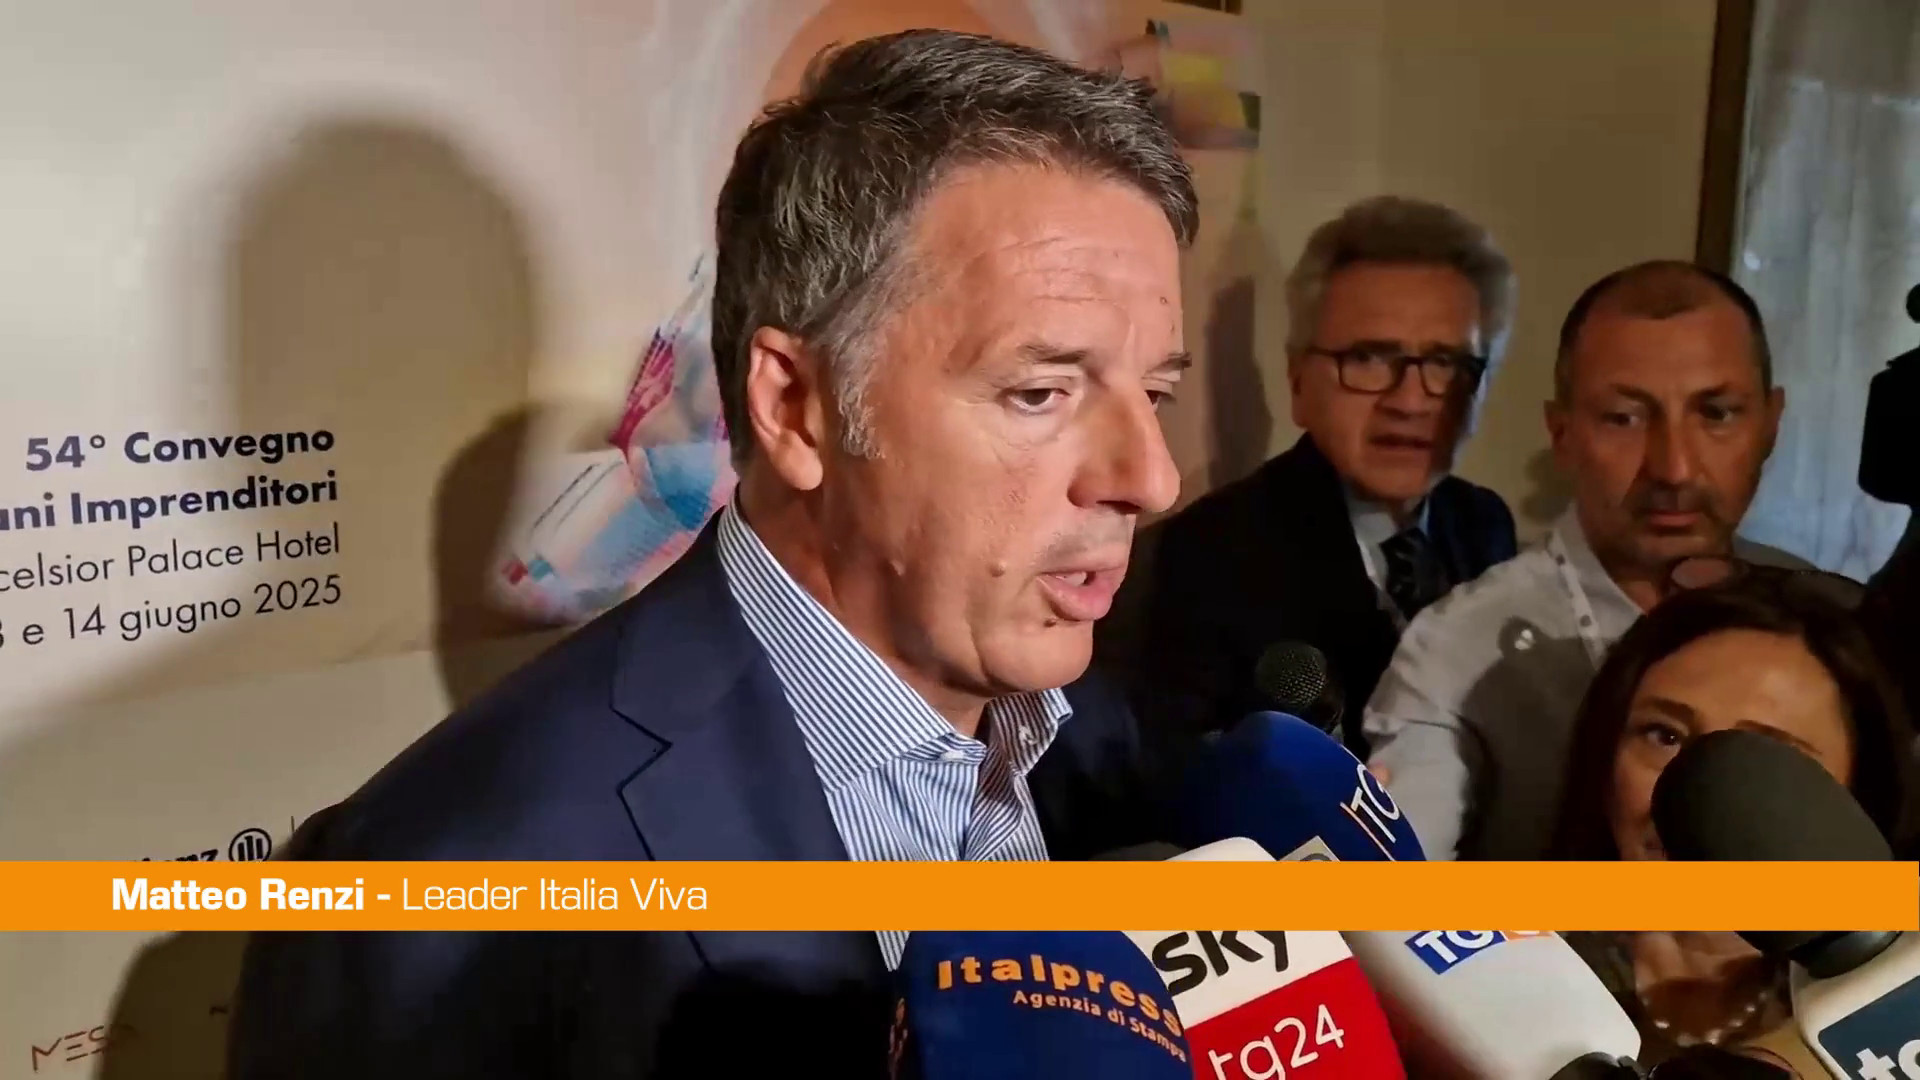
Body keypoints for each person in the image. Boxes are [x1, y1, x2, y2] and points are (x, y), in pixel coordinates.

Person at [227, 30, 1196, 1079]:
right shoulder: (438, 891)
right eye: (1040, 393)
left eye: (1155, 394)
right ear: (797, 407)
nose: (1151, 479)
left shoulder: (1099, 736)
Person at [1364, 260, 1812, 860]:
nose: (1674, 468)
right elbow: (1388, 892)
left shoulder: (1819, 614)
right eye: (1624, 418)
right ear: (1563, 434)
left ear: (1771, 424)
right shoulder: (1459, 651)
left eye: (1716, 413)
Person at [1131, 196, 1518, 750]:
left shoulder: (1485, 525)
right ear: (1297, 382)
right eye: (1368, 359)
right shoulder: (1213, 553)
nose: (1410, 401)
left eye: (1446, 364)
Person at [1550, 569, 1917, 1074]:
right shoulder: (1508, 980)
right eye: (1664, 735)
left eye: (1761, 759)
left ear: (1858, 795)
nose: (1699, 793)